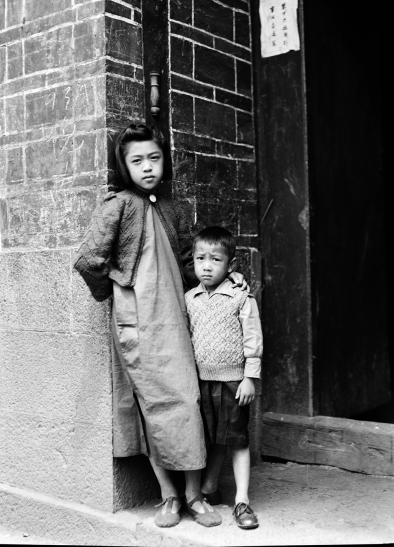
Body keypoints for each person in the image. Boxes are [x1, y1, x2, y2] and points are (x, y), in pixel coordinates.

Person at [73, 123, 245, 527]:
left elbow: (191, 263)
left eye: (154, 158)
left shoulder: (172, 208)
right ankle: (169, 497)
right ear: (124, 165)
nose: (148, 167)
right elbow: (88, 260)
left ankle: (194, 496)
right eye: (137, 160)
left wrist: (226, 279)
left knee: (188, 401)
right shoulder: (117, 205)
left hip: (176, 318)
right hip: (139, 321)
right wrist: (117, 290)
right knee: (153, 407)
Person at [186, 226, 262, 530]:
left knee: (237, 440)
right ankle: (208, 489)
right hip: (202, 381)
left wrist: (249, 377)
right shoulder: (189, 298)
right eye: (200, 258)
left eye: (215, 260)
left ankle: (242, 500)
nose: (206, 265)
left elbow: (253, 338)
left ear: (229, 265)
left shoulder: (240, 296)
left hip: (234, 381)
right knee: (212, 437)